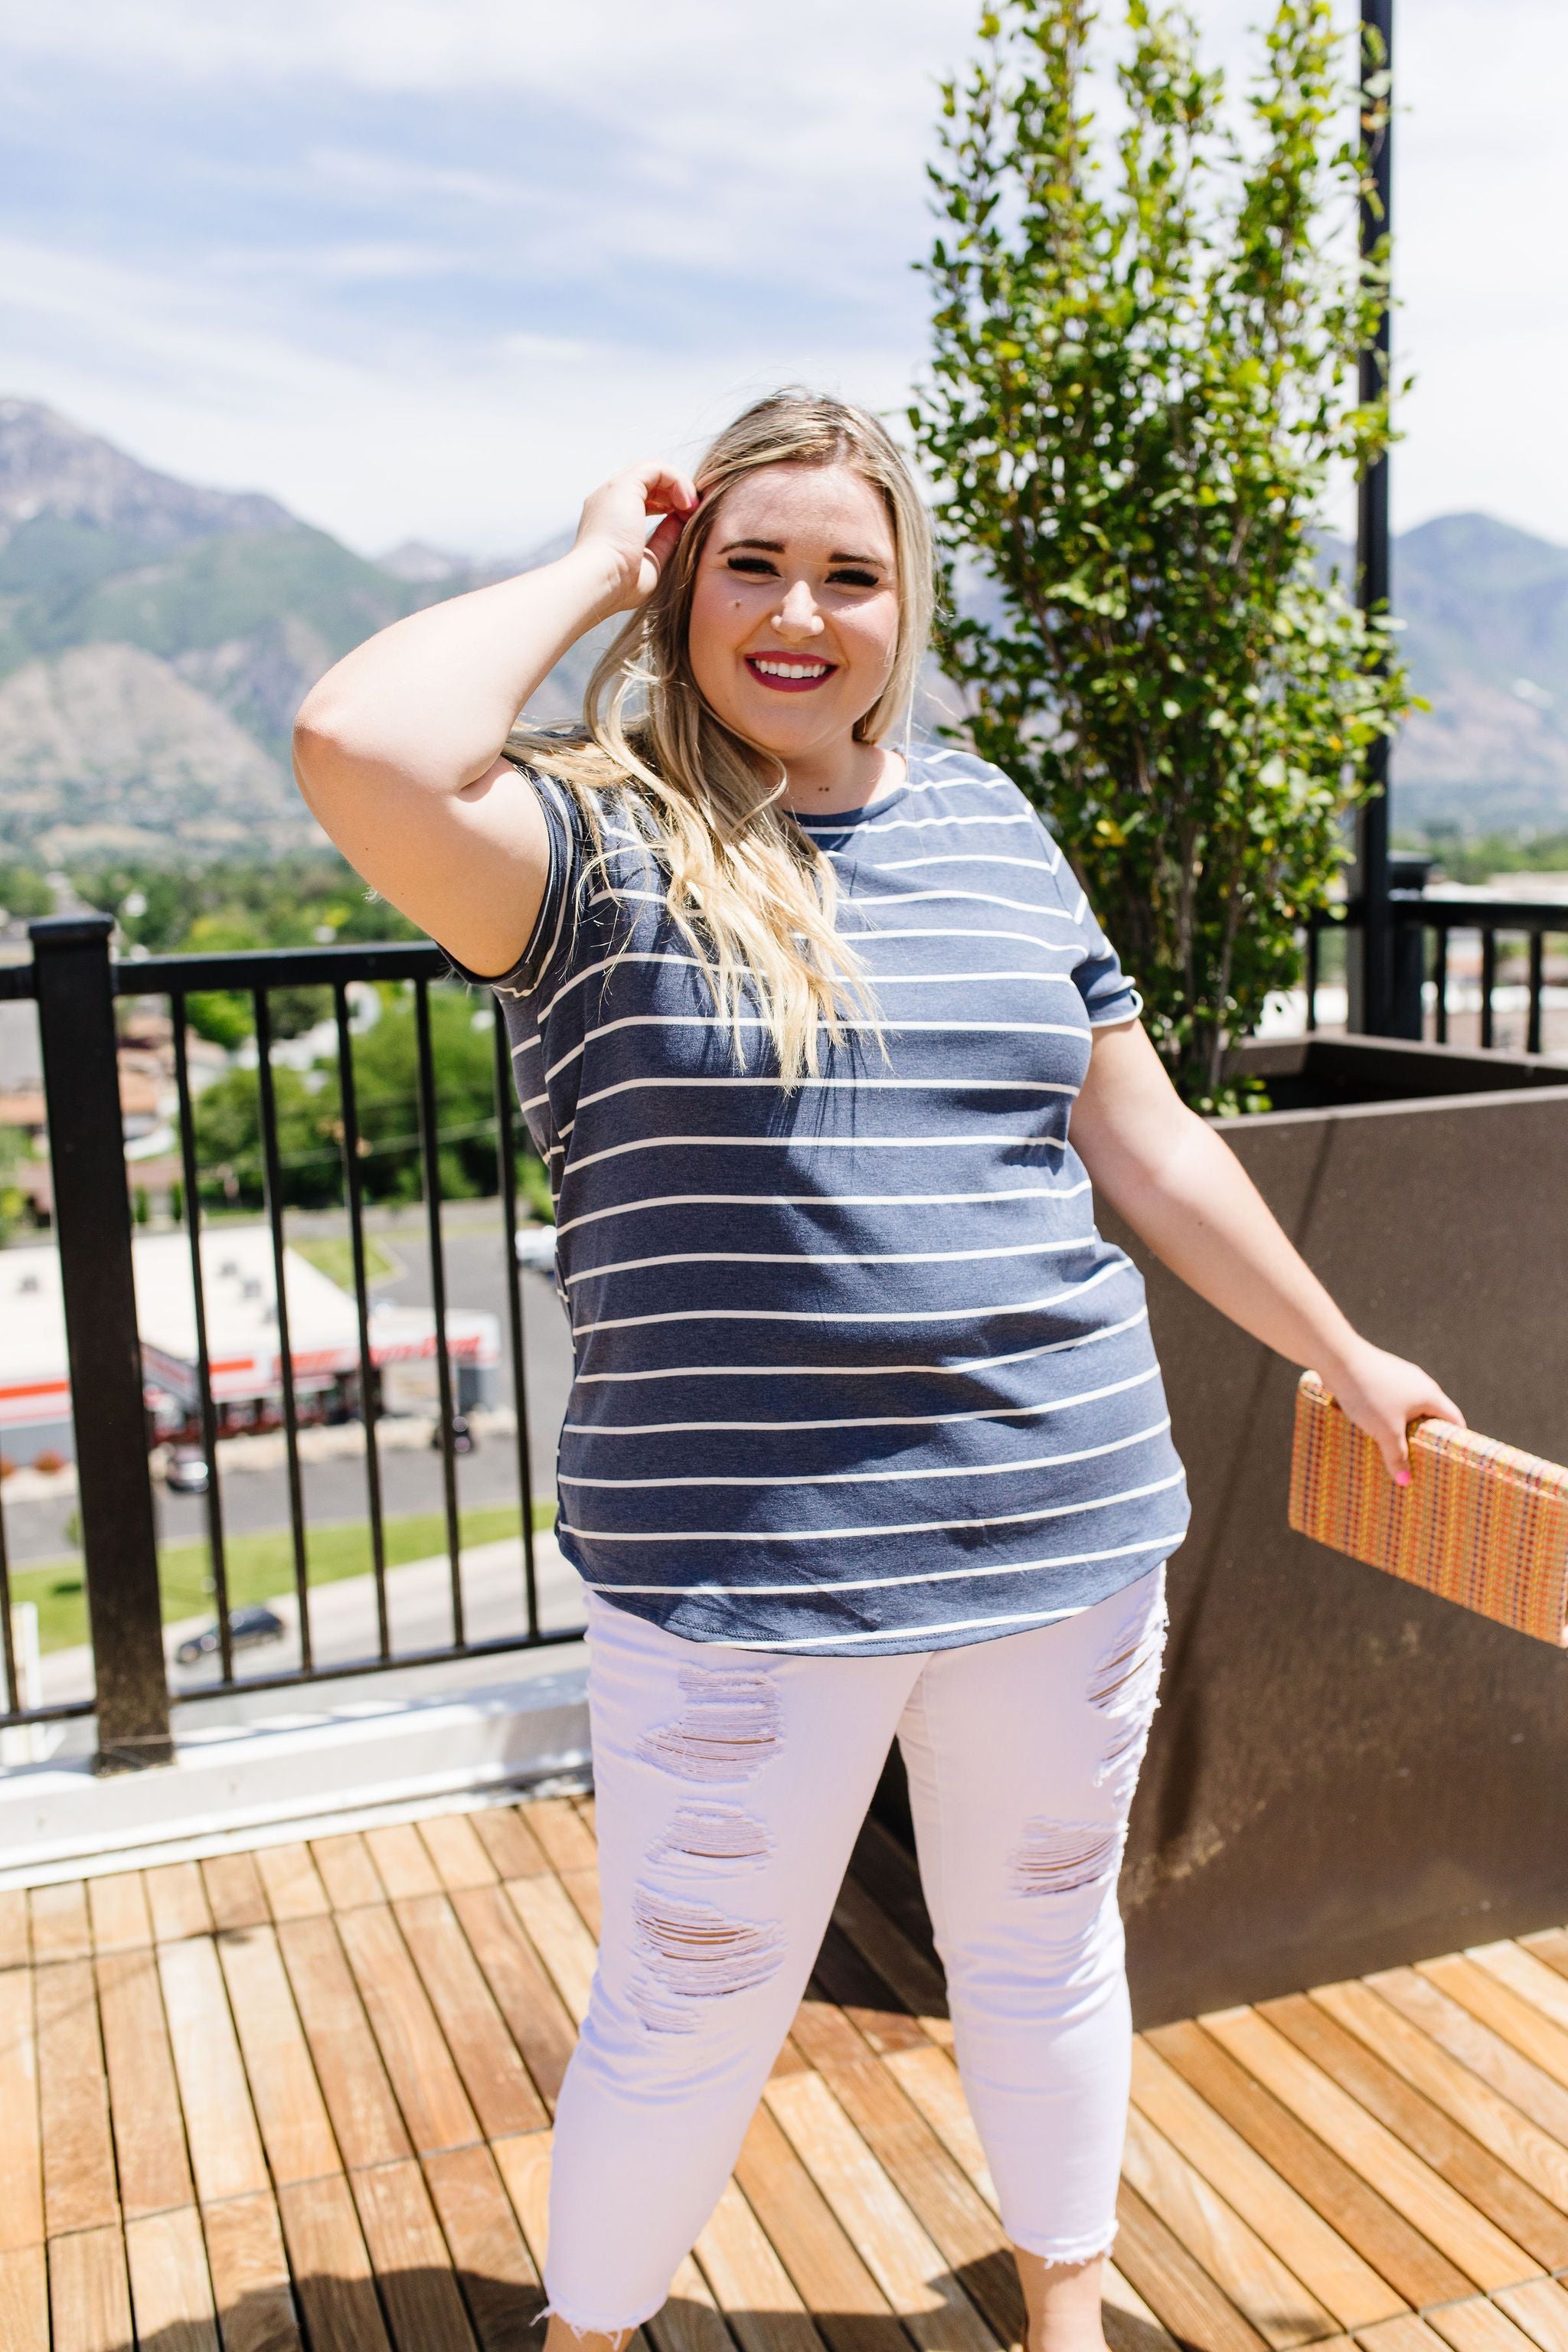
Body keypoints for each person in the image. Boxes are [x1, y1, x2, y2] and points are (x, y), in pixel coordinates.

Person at [293, 389, 1462, 2347]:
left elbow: (1147, 1143)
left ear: (906, 603)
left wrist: (1342, 1351)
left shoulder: (989, 824)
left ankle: (1065, 2309)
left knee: (1039, 1943)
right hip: (745, 1578)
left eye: (852, 571)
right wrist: (596, 562)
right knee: (693, 1982)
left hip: (1066, 1525)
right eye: (750, 562)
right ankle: (594, 2327)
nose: (800, 612)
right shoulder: (580, 844)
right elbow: (356, 742)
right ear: (682, 586)